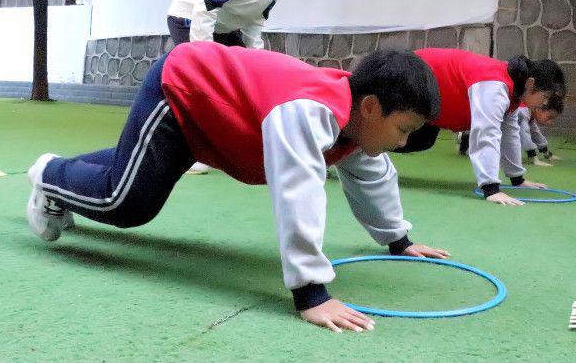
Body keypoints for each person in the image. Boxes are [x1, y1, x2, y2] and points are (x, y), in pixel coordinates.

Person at [25, 45, 449, 333]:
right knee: (126, 202)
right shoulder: (312, 112)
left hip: (215, 119)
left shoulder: (357, 127)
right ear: (372, 107)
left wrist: (399, 240)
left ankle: (67, 173)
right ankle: (49, 174)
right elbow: (298, 191)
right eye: (403, 129)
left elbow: (374, 178)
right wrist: (311, 292)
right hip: (184, 91)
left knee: (134, 171)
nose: (403, 142)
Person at [167, 0, 314, 174]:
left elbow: (255, 21)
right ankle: (189, 152)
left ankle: (233, 149)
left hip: (222, 27)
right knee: (203, 85)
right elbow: (207, 6)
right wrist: (203, 59)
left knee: (242, 84)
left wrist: (255, 63)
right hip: (188, 17)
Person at [398, 48, 566, 207]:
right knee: (403, 133)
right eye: (545, 97)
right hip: (408, 74)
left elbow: (510, 134)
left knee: (423, 140)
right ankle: (371, 153)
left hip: (426, 95)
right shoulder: (495, 85)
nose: (543, 104)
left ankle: (372, 153)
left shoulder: (513, 94)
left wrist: (518, 179)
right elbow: (486, 132)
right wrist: (491, 189)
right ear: (530, 84)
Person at [517, 95, 564, 167]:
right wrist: (533, 157)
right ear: (539, 109)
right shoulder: (523, 111)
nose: (550, 122)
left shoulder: (530, 112)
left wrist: (547, 154)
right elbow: (524, 134)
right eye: (549, 117)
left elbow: (535, 133)